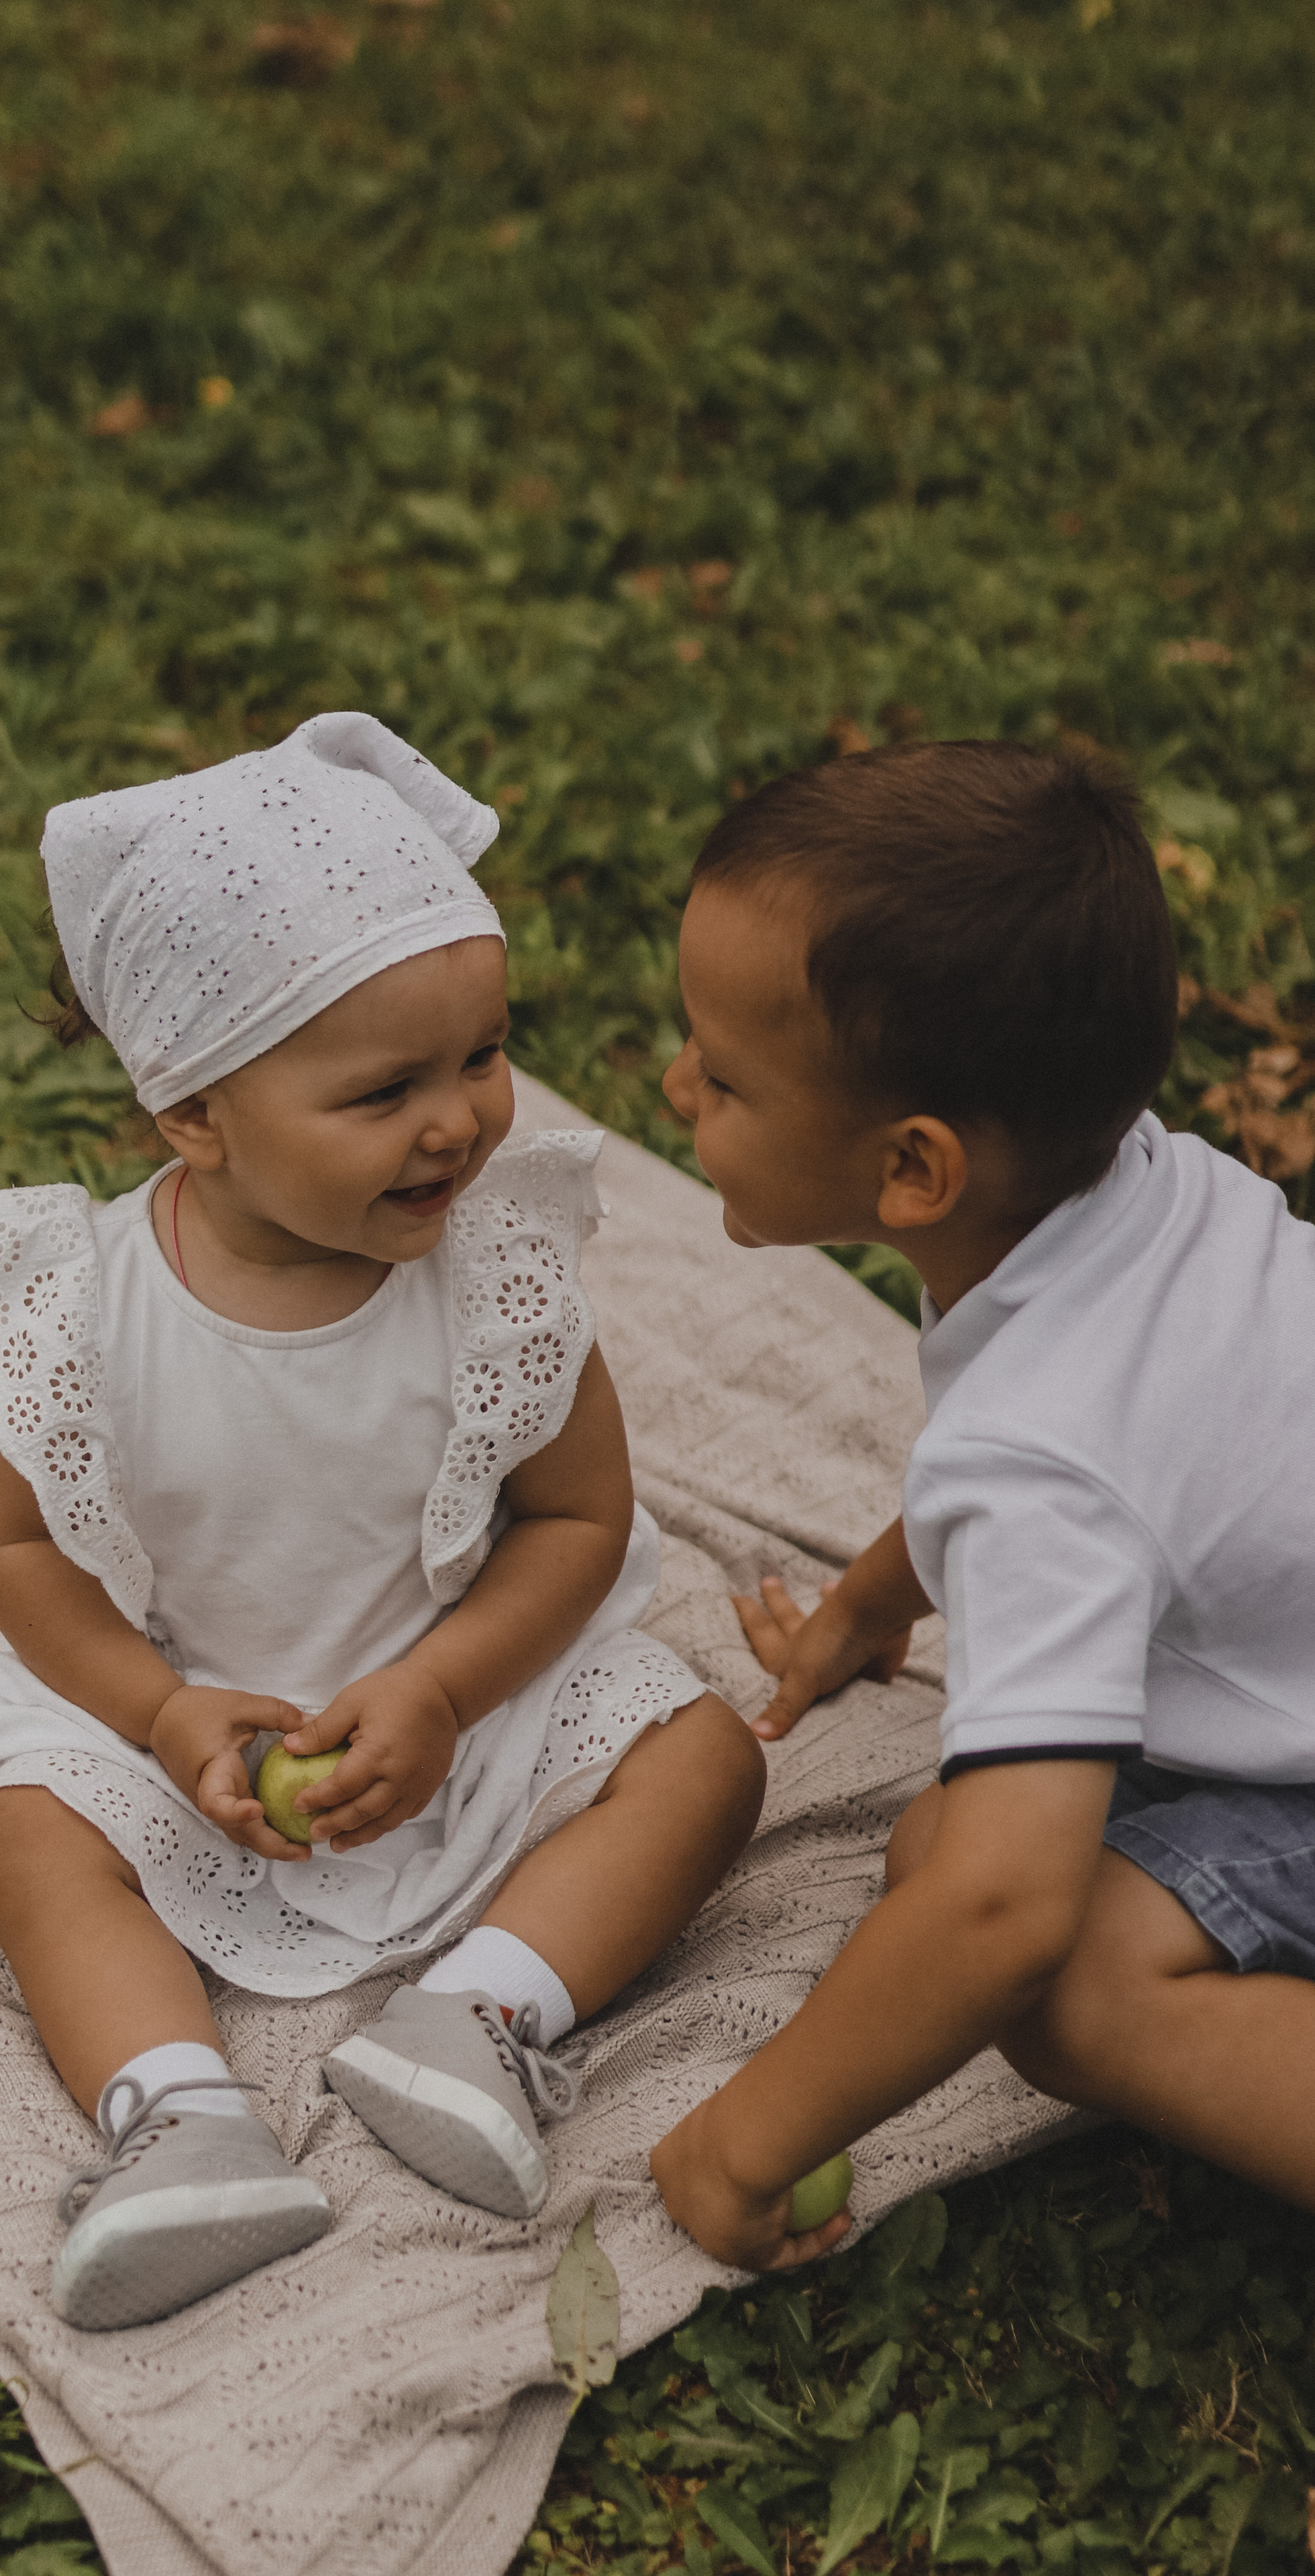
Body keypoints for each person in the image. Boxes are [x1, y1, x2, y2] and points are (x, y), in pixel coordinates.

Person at [0, 711, 764, 2330]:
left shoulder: (495, 1279)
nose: (458, 1122)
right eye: (383, 1091)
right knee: (29, 1826)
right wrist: (152, 1713)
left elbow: (575, 1520)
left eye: (483, 1057)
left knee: (704, 1754)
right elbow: (11, 1547)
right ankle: (181, 2122)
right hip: (183, 1714)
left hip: (457, 1698)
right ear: (192, 1117)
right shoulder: (84, 1312)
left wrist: (445, 1687)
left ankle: (478, 2018)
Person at [649, 738, 1315, 2274]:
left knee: (1052, 1968)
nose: (679, 1085)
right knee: (939, 1840)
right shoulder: (1156, 1192)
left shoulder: (1036, 1459)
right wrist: (875, 1605)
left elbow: (1002, 1911)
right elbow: (1114, 1480)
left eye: (725, 1077)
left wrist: (748, 2138)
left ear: (911, 1173)